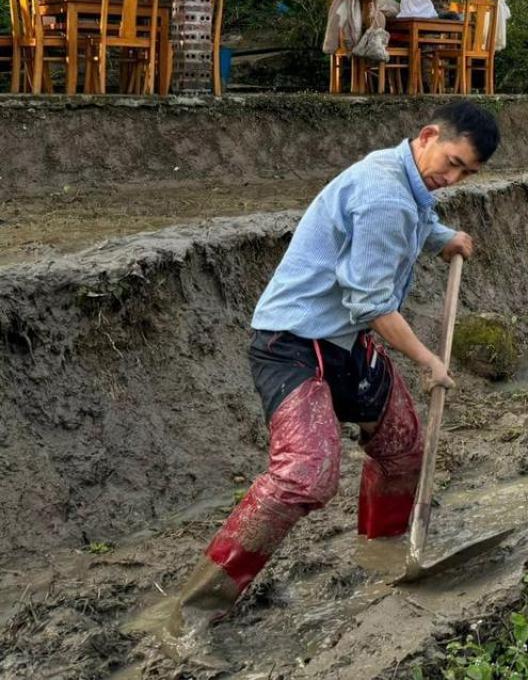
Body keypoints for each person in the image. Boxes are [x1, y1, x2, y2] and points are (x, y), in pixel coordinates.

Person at [171, 100, 501, 624]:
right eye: (453, 162)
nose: (453, 178)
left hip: (343, 343)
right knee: (306, 475)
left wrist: (444, 237)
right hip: (292, 344)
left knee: (401, 447)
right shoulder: (384, 195)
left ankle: (386, 552)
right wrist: (427, 361)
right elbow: (371, 305)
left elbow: (419, 218)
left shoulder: (404, 177)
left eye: (467, 173)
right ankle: (198, 605)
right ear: (429, 135)